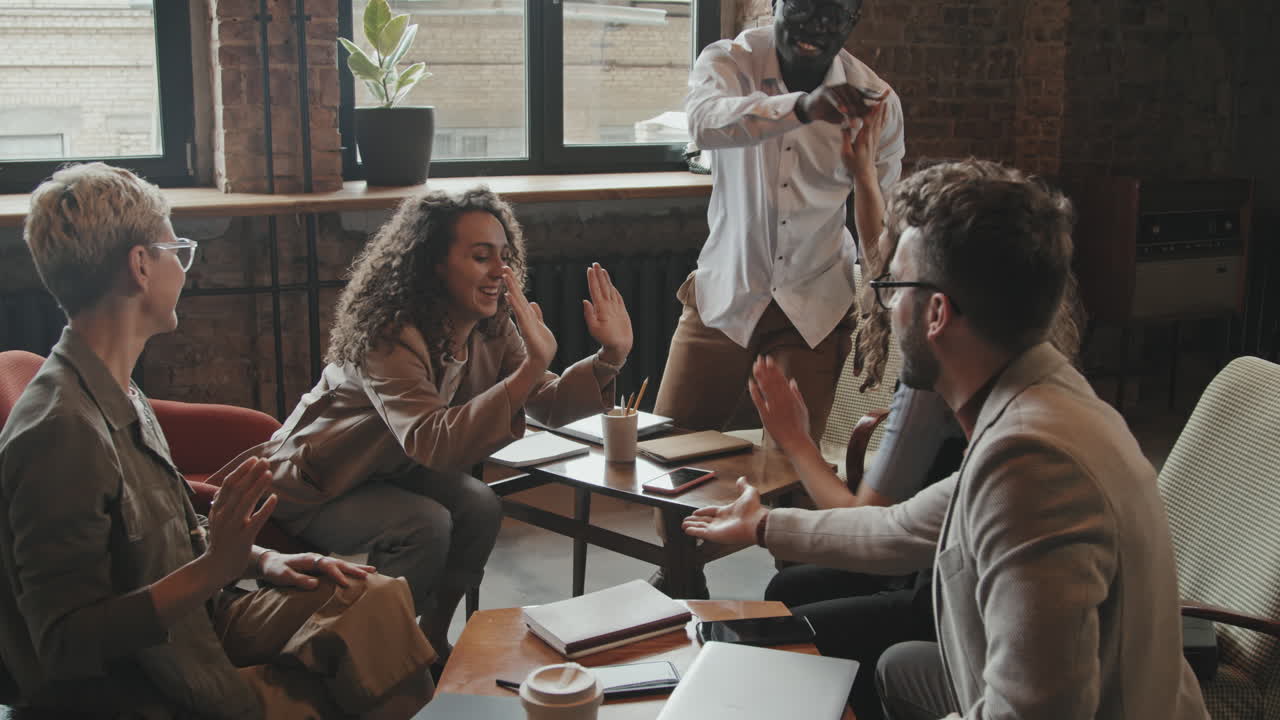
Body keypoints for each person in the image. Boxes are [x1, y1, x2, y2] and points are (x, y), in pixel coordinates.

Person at [684, 159, 1209, 720]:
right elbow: (898, 528)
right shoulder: (1047, 397)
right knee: (894, 665)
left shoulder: (1032, 464)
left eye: (893, 288)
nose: (885, 307)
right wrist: (763, 525)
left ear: (936, 312)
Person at [0, 163, 434, 719]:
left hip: (203, 621)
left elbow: (167, 537)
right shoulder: (58, 434)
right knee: (342, 679)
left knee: (372, 596)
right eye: (175, 249)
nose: (184, 267)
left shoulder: (116, 386)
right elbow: (62, 644)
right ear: (139, 265)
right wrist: (214, 570)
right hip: (159, 674)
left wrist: (264, 559)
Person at [242, 187, 633, 660]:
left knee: (479, 504)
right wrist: (532, 365)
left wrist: (609, 357)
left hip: (392, 471)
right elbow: (432, 443)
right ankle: (378, 655)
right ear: (434, 263)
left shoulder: (491, 325)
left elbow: (547, 403)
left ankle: (431, 639)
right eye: (481, 256)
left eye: (504, 257)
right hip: (319, 484)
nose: (498, 272)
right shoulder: (387, 334)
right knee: (425, 524)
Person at [650, 0, 905, 595]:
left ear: (853, 20)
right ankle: (680, 575)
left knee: (795, 461)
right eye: (804, 9)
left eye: (834, 14)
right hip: (726, 293)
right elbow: (706, 122)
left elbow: (881, 236)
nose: (816, 26)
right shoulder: (731, 60)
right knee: (664, 448)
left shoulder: (876, 100)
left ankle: (800, 593)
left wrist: (863, 174)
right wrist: (800, 108)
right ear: (776, 5)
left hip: (812, 303)